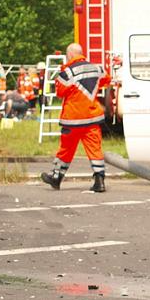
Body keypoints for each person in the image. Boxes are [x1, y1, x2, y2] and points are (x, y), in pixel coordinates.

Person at [39, 43, 110, 192]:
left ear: (70, 55)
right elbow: (106, 80)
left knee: (66, 150)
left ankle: (56, 178)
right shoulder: (97, 69)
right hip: (92, 118)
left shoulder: (67, 73)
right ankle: (99, 181)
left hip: (73, 119)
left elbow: (60, 92)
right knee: (95, 150)